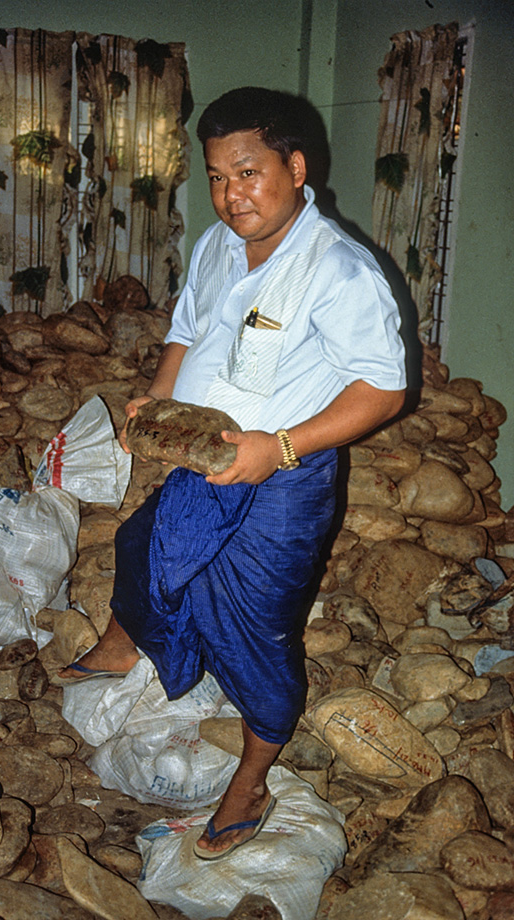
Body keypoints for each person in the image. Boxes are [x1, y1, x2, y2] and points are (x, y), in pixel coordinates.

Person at [59, 87, 406, 859]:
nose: (231, 195)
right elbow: (187, 330)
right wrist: (155, 401)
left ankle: (251, 777)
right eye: (216, 177)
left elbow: (385, 388)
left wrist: (277, 449)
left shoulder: (339, 271)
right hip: (203, 452)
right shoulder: (220, 245)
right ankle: (127, 642)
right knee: (145, 547)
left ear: (295, 166)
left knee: (256, 632)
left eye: (247, 173)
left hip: (281, 478)